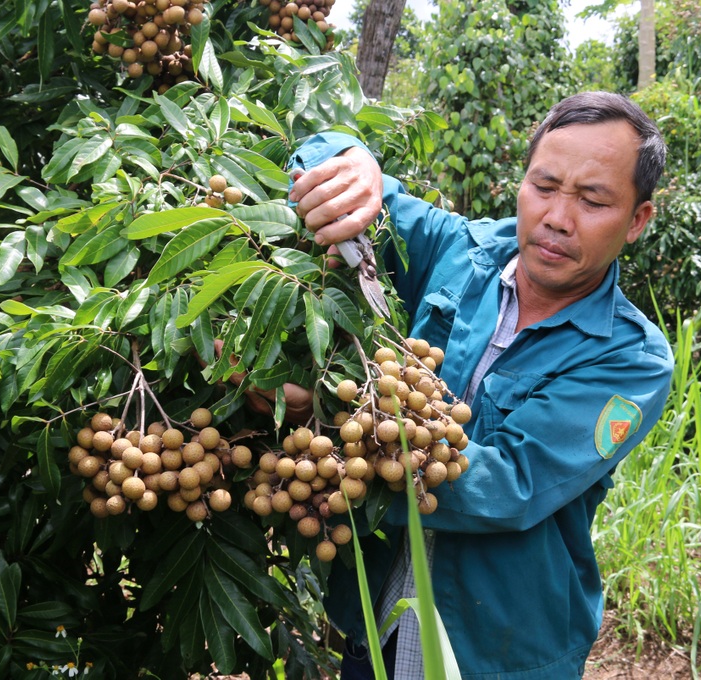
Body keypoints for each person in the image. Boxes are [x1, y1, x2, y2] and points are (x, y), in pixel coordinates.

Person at [285, 91, 675, 679]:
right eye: (543, 187)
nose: (557, 218)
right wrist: (356, 163)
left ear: (637, 220)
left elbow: (510, 484)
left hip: (497, 650)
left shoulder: (631, 360)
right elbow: (319, 154)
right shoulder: (456, 251)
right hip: (375, 618)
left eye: (593, 201)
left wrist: (319, 423)